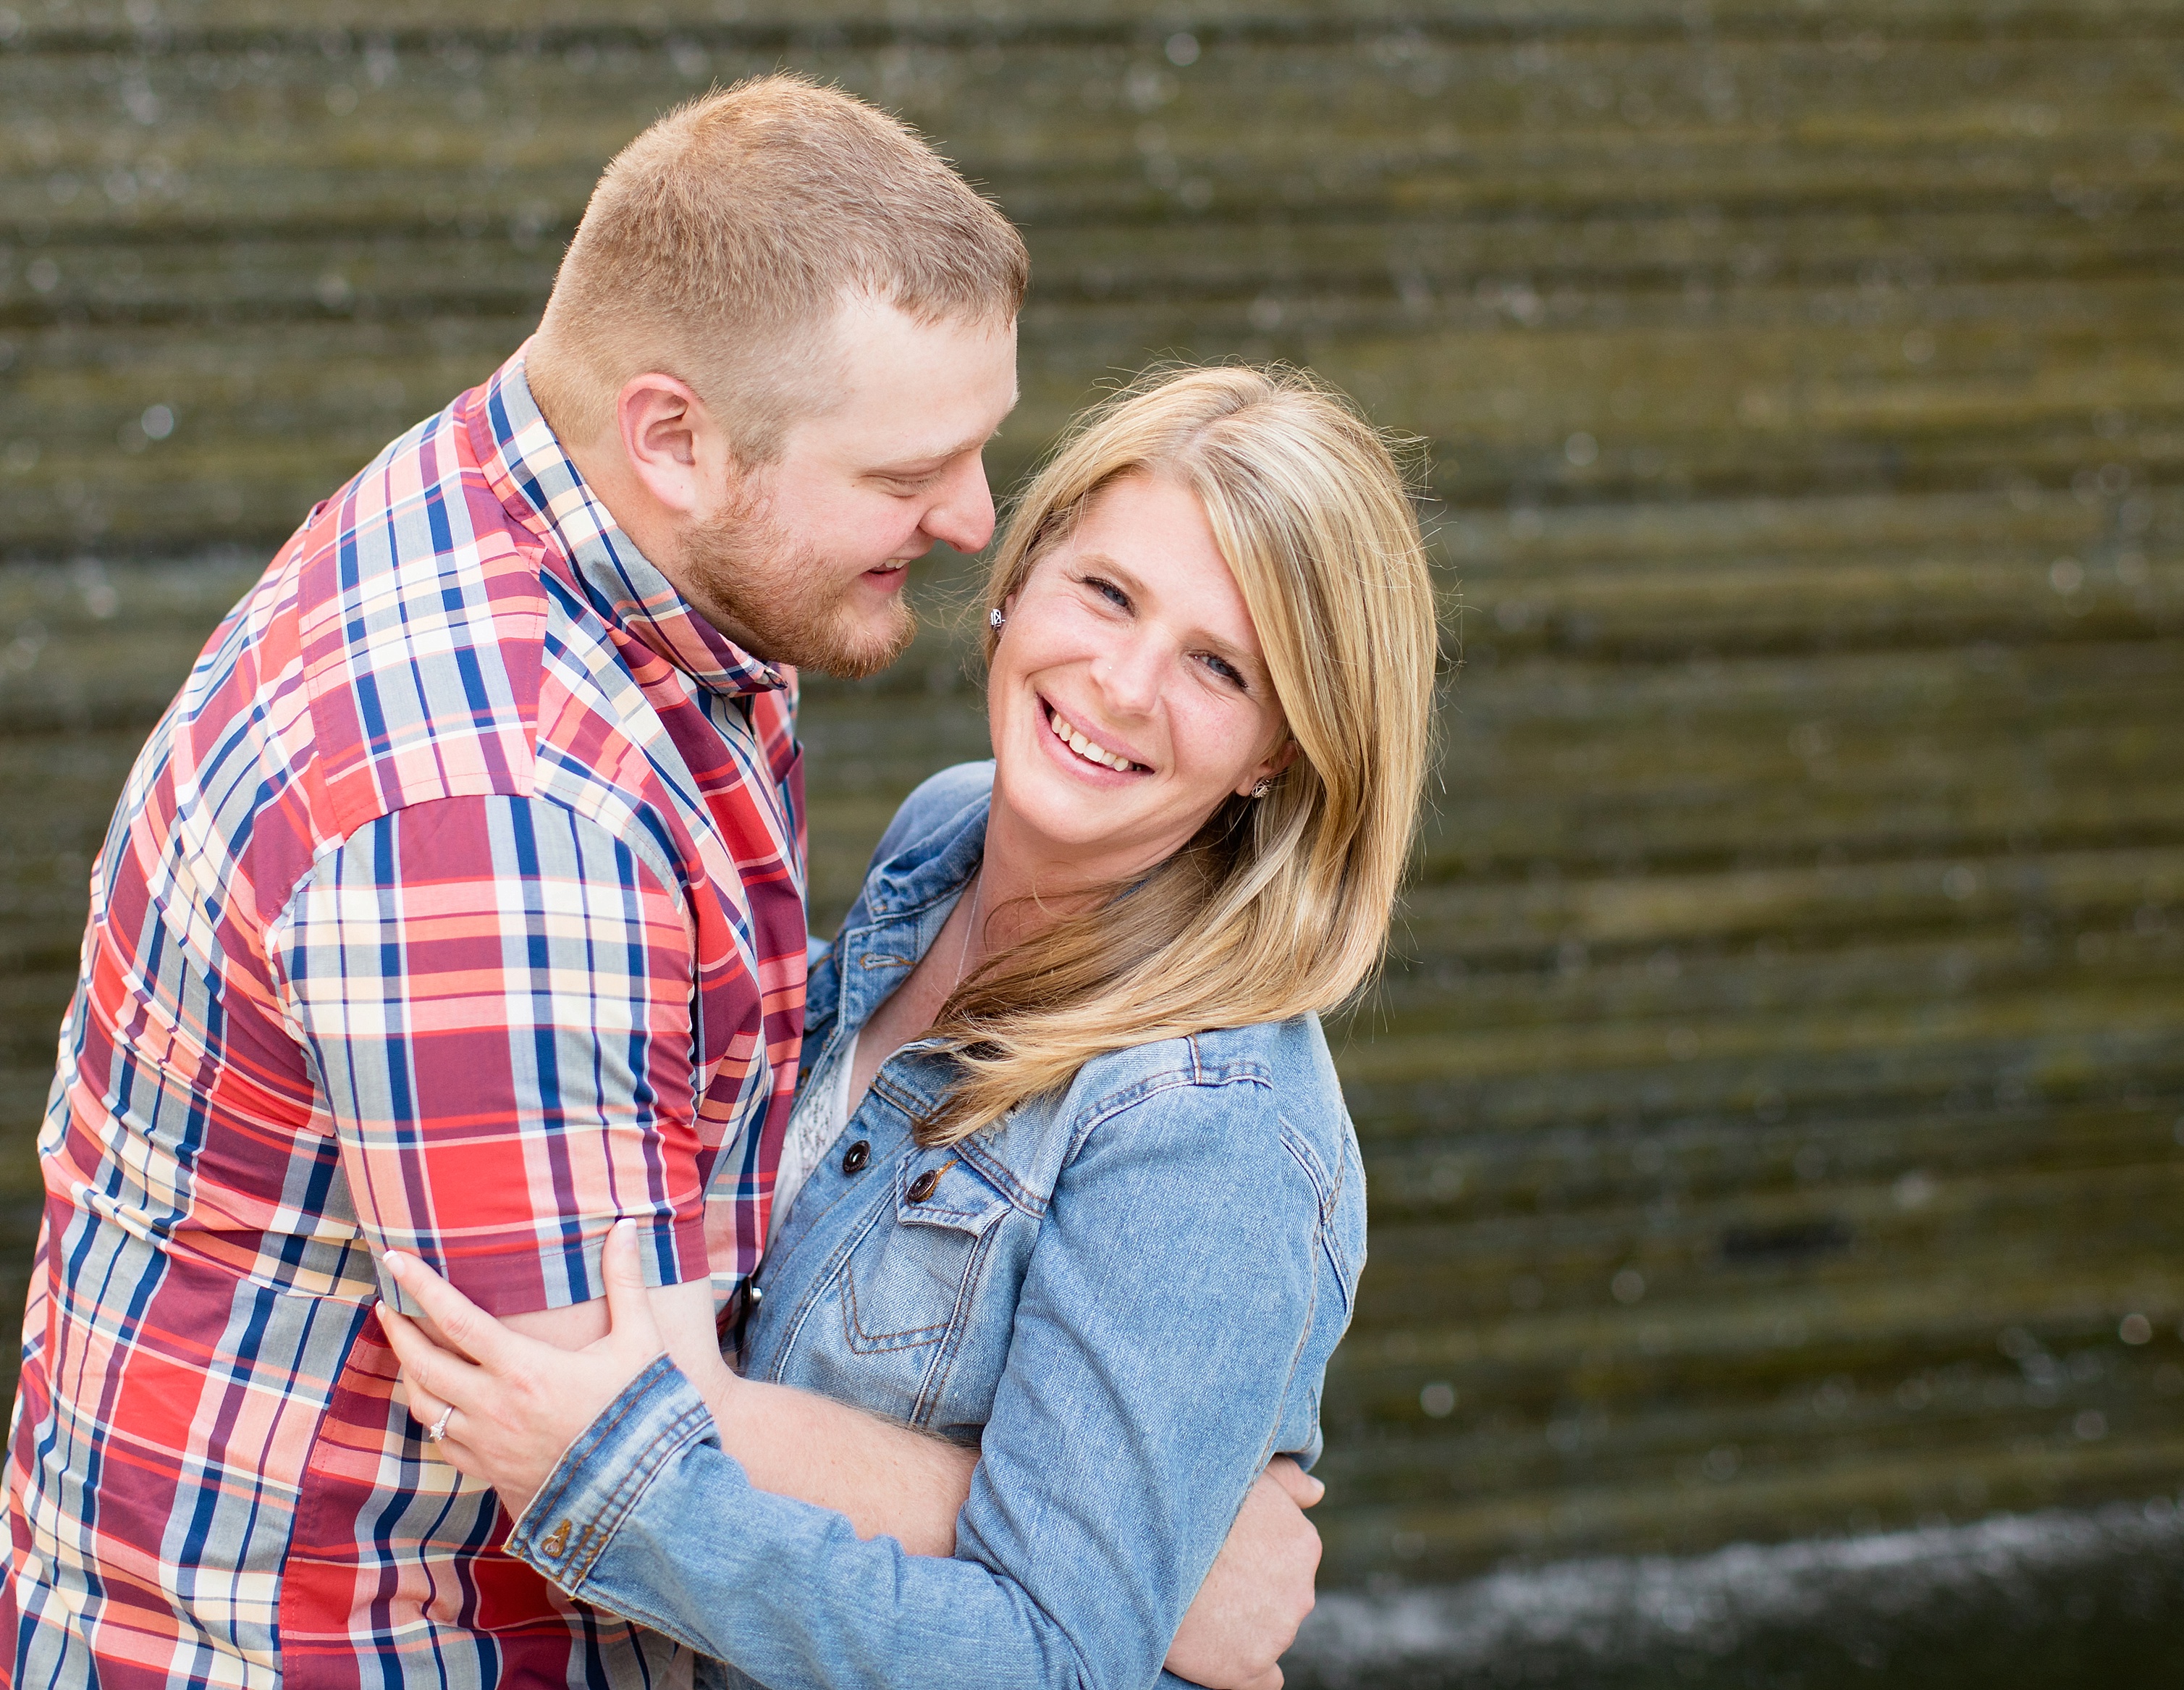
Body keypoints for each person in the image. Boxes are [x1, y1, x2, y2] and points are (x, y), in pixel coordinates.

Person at [1, 77, 1312, 1689]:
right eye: (910, 471)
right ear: (672, 438)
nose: (978, 520)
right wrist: (1148, 1562)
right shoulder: (505, 821)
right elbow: (613, 1431)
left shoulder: (588, 534)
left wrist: (1104, 1537)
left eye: (981, 449)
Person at [372, 361, 1439, 1690]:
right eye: (1107, 593)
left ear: (1280, 748)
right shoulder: (947, 838)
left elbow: (1049, 1662)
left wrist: (620, 1483)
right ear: (1020, 580)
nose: (1120, 683)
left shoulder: (1208, 1126)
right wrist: (1157, 1561)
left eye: (1218, 666)